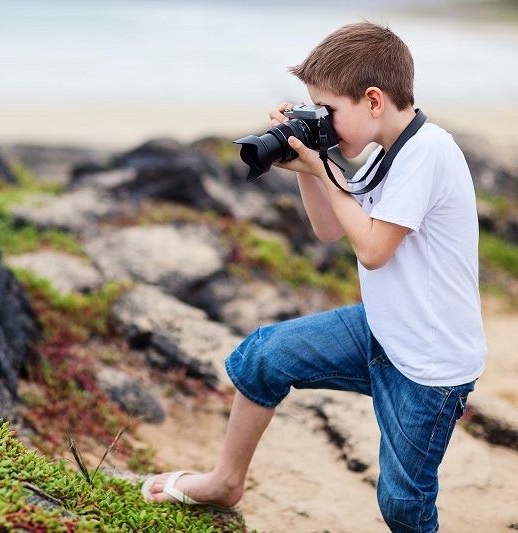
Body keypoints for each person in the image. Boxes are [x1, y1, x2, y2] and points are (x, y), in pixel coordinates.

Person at [141, 21, 487, 532]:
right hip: (384, 330)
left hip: (429, 369)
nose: (323, 122)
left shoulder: (428, 152)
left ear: (373, 100)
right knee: (263, 356)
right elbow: (329, 229)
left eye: (328, 111)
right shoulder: (384, 154)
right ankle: (225, 481)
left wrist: (323, 170)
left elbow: (371, 250)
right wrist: (311, 164)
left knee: (403, 506)